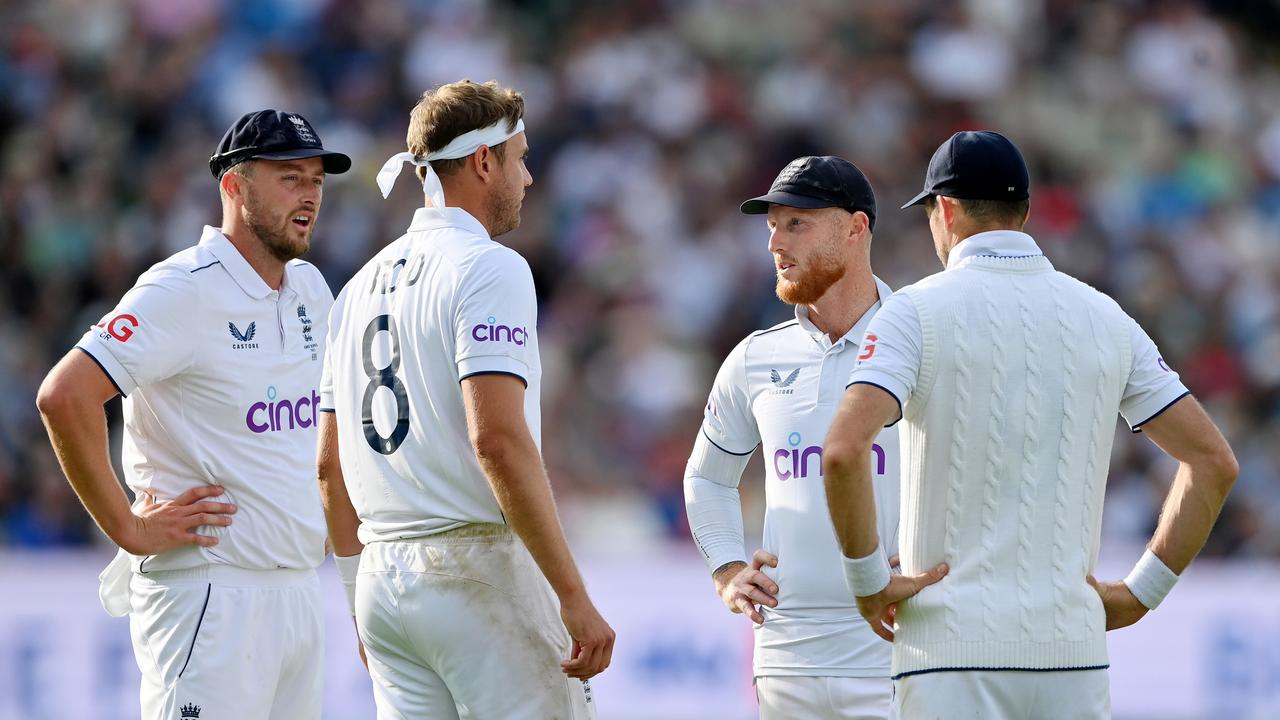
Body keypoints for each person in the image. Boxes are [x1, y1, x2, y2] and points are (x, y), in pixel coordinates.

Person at [822, 130, 1238, 719]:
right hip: (1072, 655)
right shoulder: (1105, 316)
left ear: (944, 209)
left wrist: (868, 582)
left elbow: (842, 451)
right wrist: (1142, 593)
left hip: (948, 652)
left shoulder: (911, 313)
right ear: (1024, 211)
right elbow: (1213, 462)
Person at [35, 110, 350, 719]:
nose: (310, 194)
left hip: (299, 593)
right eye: (289, 177)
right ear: (234, 186)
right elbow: (64, 396)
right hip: (210, 594)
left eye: (316, 179)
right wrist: (128, 528)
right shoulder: (182, 287)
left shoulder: (312, 288)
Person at [316, 79, 614, 719]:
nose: (529, 178)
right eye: (521, 158)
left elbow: (328, 466)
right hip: (475, 569)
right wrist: (572, 595)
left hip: (382, 583)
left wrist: (355, 601)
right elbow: (498, 440)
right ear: (484, 161)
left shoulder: (355, 288)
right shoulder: (491, 267)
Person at [684, 156, 921, 719]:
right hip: (785, 656)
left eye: (797, 224)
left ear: (856, 228)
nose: (775, 243)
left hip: (899, 650)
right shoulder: (756, 355)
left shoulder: (923, 341)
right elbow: (706, 478)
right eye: (772, 225)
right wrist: (725, 569)